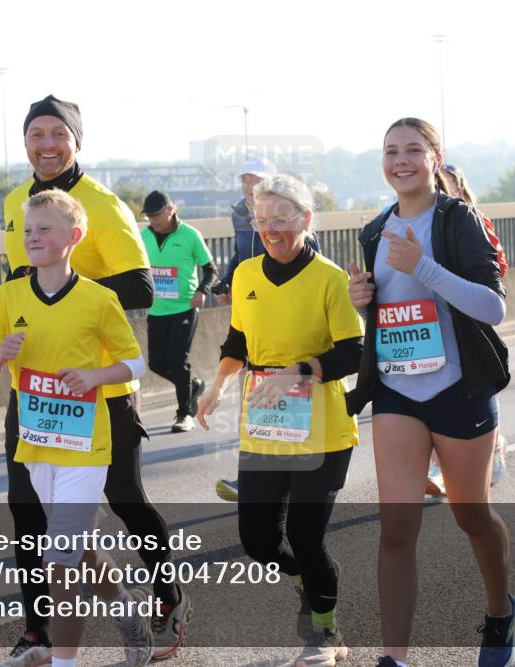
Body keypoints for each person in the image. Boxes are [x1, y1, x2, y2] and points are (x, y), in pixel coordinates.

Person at [0, 95, 188, 663]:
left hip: (100, 388)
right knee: (27, 509)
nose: (47, 145)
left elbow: (143, 287)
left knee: (126, 500)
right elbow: (23, 278)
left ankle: (167, 600)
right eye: (37, 134)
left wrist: (73, 296)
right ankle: (38, 631)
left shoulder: (102, 205)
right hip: (36, 389)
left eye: (59, 134)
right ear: (25, 143)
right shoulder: (15, 202)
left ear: (77, 142)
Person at [345, 118, 515, 667]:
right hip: (397, 391)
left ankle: (500, 613)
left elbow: (492, 307)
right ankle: (393, 658)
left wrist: (422, 266)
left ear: (434, 159)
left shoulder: (458, 218)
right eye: (391, 151)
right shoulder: (374, 229)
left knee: (472, 517)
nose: (401, 160)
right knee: (397, 529)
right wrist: (362, 299)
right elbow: (392, 309)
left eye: (413, 150)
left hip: (458, 387)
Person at [0, 189, 155, 667]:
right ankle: (127, 610)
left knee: (58, 560)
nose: (32, 237)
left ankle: (64, 661)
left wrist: (95, 376)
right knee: (79, 550)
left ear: (74, 236)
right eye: (28, 230)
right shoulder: (7, 296)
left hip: (85, 448)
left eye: (44, 229)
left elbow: (135, 362)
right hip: (37, 447)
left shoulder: (98, 299)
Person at [198, 174, 363, 667]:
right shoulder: (246, 274)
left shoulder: (331, 278)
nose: (270, 229)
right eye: (261, 219)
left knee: (307, 537)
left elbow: (352, 353)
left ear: (306, 219)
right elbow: (238, 341)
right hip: (266, 424)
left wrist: (297, 372)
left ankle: (325, 633)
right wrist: (217, 385)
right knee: (258, 541)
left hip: (323, 428)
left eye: (281, 219)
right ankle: (308, 580)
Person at [212, 157, 322, 503]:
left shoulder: (289, 210)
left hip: (292, 321)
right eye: (244, 179)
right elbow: (240, 255)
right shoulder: (239, 213)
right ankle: (254, 476)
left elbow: (308, 256)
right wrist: (227, 282)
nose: (248, 184)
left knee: (294, 399)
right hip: (255, 305)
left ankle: (308, 469)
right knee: (254, 394)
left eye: (254, 178)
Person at [425, 163, 508, 497]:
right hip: (430, 324)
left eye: (445, 185)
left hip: (470, 319)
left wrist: (460, 285)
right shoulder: (416, 219)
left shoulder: (473, 219)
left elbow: (497, 270)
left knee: (477, 387)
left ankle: (494, 447)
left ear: (459, 188)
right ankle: (437, 467)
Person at [139, 189, 216, 432]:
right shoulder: (144, 236)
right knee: (156, 364)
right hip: (157, 309)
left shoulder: (190, 235)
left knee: (177, 361)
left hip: (185, 307)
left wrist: (202, 290)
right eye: (149, 216)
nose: (152, 220)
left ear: (171, 210)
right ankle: (193, 386)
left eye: (156, 215)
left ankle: (184, 414)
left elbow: (210, 269)